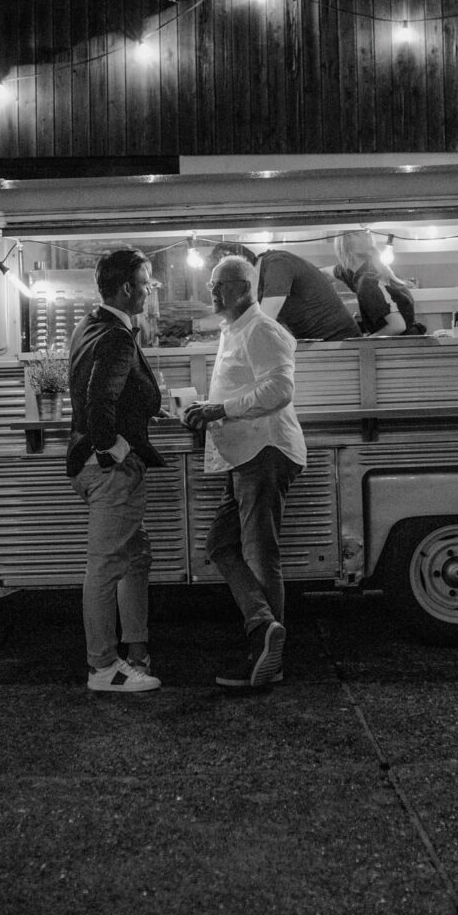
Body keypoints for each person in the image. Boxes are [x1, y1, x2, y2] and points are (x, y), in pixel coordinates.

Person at [184, 254, 306, 689]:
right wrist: (204, 408)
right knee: (220, 544)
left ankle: (266, 657)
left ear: (243, 288)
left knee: (260, 555)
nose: (211, 292)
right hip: (244, 455)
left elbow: (280, 389)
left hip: (264, 451)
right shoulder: (235, 330)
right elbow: (244, 385)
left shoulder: (262, 329)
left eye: (218, 285)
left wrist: (220, 408)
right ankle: (263, 626)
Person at [66, 247, 166, 694]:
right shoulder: (118, 337)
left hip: (89, 468)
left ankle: (137, 650)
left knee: (135, 557)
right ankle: (104, 669)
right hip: (109, 472)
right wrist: (115, 450)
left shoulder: (89, 325)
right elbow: (98, 402)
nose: (150, 290)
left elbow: (112, 395)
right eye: (147, 283)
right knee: (106, 566)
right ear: (127, 288)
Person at [211, 242, 360, 341]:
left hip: (340, 342)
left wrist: (227, 341)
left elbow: (263, 321)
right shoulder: (261, 281)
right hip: (319, 344)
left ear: (242, 262)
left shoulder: (277, 264)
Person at [332, 230, 424, 335]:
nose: (365, 236)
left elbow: (397, 326)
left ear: (343, 244)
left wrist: (366, 343)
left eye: (362, 233)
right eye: (358, 233)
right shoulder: (372, 269)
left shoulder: (368, 281)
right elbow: (328, 272)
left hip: (400, 346)